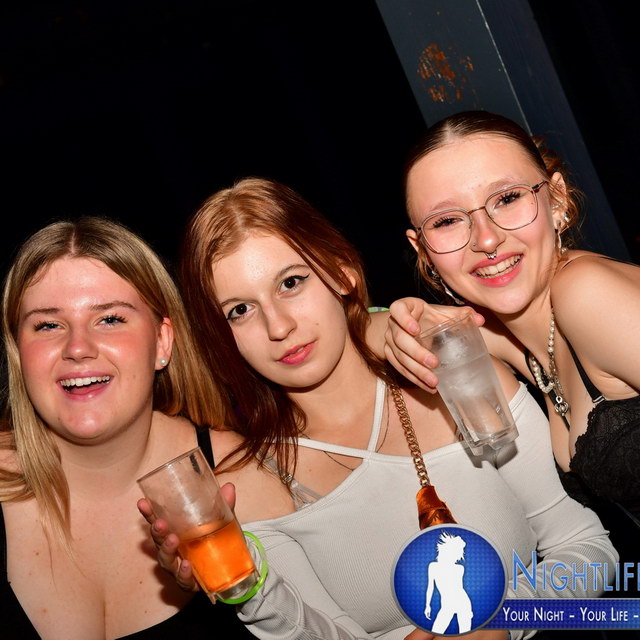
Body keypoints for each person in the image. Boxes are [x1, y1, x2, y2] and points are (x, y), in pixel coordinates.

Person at [140, 177, 616, 640]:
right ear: (221, 337)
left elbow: (590, 551)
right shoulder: (248, 488)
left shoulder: (459, 382)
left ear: (341, 272)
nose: (278, 326)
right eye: (239, 310)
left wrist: (505, 622)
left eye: (291, 282)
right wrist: (248, 588)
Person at [383, 109, 640, 564]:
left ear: (556, 199)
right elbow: (375, 330)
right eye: (446, 222)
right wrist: (384, 325)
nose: (486, 239)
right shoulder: (522, 338)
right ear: (422, 250)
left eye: (506, 198)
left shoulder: (586, 294)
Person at [0, 218, 257, 639]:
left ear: (162, 342)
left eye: (110, 319)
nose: (77, 348)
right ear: (18, 353)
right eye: (48, 325)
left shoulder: (243, 473)